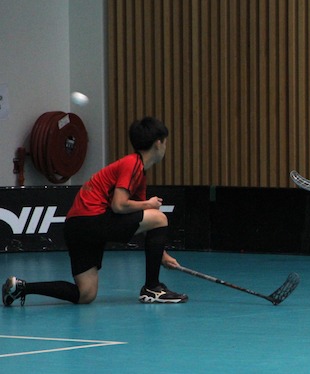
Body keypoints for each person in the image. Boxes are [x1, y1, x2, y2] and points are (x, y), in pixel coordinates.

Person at [2, 116, 188, 306]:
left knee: (85, 294)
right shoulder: (132, 164)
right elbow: (120, 205)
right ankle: (152, 288)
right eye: (165, 142)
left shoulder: (137, 171)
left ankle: (21, 287)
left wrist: (161, 255)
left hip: (77, 227)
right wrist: (149, 204)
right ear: (158, 143)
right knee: (159, 216)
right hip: (91, 220)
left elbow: (142, 220)